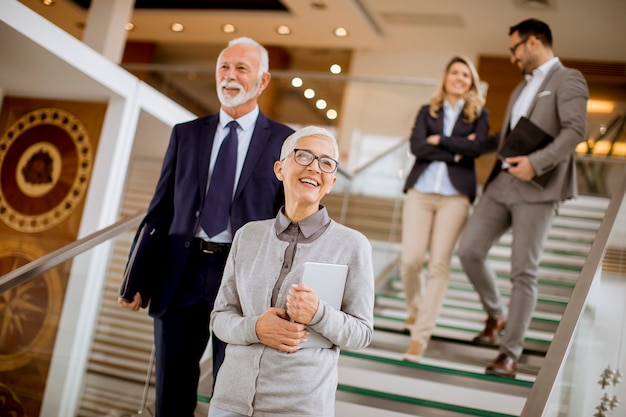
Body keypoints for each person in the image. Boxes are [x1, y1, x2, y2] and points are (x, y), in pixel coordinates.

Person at [117, 36, 294, 416]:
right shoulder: (186, 133)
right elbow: (159, 210)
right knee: (171, 391)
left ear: (262, 81)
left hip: (241, 281)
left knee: (231, 392)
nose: (229, 77)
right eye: (224, 68)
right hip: (180, 275)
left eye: (241, 69)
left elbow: (287, 220)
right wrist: (135, 278)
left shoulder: (284, 141)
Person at [207, 126, 375, 417]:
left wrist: (319, 314)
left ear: (332, 181)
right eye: (304, 156)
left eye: (326, 162)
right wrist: (256, 328)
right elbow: (220, 318)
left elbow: (361, 333)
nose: (314, 167)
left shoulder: (353, 245)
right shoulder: (247, 236)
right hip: (228, 402)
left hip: (299, 407)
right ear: (280, 168)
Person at [457, 18, 589, 378]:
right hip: (502, 184)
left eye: (514, 48)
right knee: (468, 250)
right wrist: (464, 144)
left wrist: (537, 163)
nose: (512, 57)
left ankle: (509, 353)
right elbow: (508, 136)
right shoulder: (520, 89)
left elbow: (576, 130)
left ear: (533, 43)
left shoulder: (568, 78)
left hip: (540, 189)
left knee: (523, 272)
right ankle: (496, 313)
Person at [400, 56, 489, 362]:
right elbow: (417, 146)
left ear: (471, 82)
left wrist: (440, 140)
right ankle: (414, 310)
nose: (460, 78)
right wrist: (456, 150)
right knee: (410, 259)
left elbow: (478, 148)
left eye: (466, 74)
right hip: (420, 192)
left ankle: (420, 336)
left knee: (438, 266)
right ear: (446, 77)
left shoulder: (479, 114)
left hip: (455, 197)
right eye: (455, 72)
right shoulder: (428, 111)